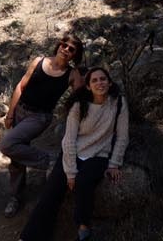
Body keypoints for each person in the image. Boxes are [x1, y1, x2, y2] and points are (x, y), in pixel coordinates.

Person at [19, 68, 129, 241]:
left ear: (109, 82)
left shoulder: (119, 103)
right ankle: (29, 237)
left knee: (84, 182)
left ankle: (83, 229)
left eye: (103, 79)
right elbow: (69, 140)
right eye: (94, 80)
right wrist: (70, 172)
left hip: (99, 155)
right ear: (87, 86)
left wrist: (114, 163)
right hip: (73, 152)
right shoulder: (79, 106)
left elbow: (122, 136)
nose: (99, 83)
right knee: (51, 193)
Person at [1, 34, 86, 218]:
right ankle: (15, 197)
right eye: (64, 45)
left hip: (40, 117)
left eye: (72, 49)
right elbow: (21, 86)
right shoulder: (39, 61)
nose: (66, 50)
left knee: (8, 144)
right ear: (59, 45)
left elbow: (81, 96)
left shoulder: (71, 74)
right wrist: (10, 113)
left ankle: (51, 161)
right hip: (20, 110)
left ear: (74, 55)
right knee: (16, 155)